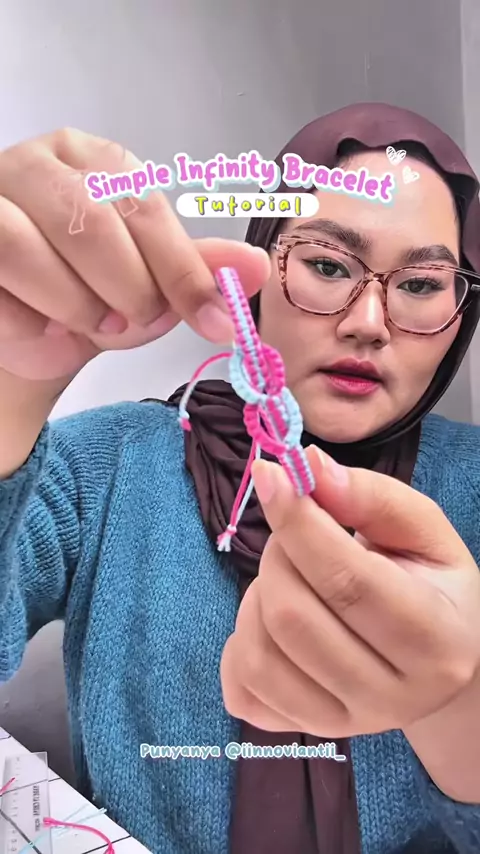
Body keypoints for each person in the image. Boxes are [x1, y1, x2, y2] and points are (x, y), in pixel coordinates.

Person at [0, 102, 479, 854]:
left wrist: (461, 710)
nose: (368, 321)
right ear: (257, 268)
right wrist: (9, 396)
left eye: (420, 285)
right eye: (328, 266)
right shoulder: (107, 465)